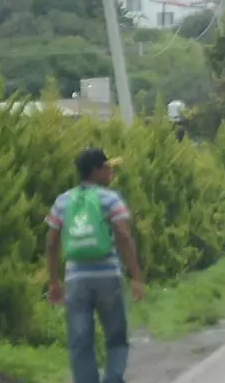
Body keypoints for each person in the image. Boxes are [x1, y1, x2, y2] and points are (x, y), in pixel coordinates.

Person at [47, 148, 146, 383]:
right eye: (107, 167)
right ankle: (113, 378)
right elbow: (123, 236)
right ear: (96, 171)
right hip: (108, 276)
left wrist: (54, 281)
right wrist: (136, 276)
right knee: (116, 335)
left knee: (80, 339)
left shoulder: (63, 201)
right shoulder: (109, 199)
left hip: (75, 279)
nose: (111, 171)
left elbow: (51, 244)